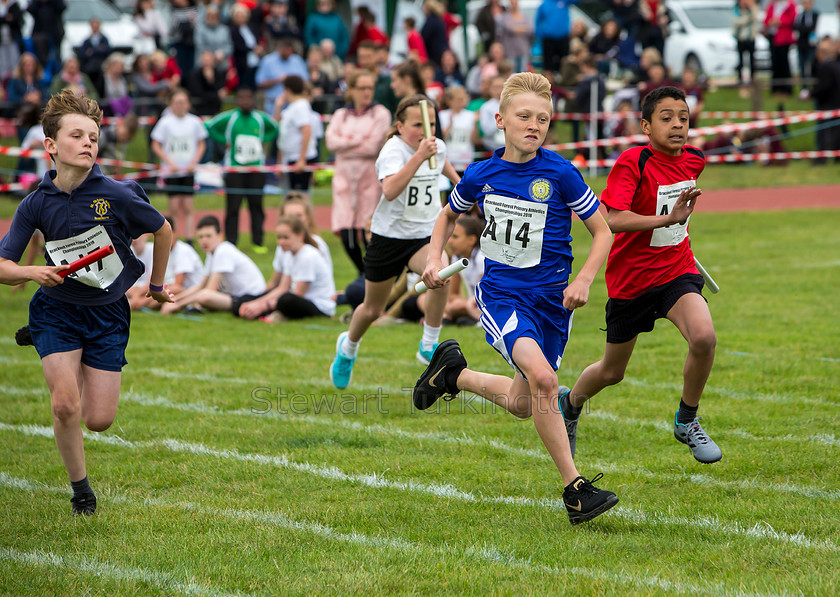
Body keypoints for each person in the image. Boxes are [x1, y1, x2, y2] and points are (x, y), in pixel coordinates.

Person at [414, 72, 617, 526]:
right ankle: (576, 490)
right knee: (545, 381)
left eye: (542, 119)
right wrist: (433, 257)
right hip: (504, 297)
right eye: (524, 116)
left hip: (553, 304)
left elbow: (602, 231)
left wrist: (583, 278)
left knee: (525, 404)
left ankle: (455, 374)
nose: (534, 125)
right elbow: (447, 216)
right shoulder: (483, 173)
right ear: (500, 120)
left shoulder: (561, 172)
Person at [0, 89, 174, 516]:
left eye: (93, 137)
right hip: (57, 307)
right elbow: (3, 266)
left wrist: (155, 285)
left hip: (108, 313)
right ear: (51, 146)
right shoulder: (34, 203)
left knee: (98, 419)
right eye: (77, 135)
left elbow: (164, 230)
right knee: (65, 405)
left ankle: (48, 343)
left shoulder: (116, 194)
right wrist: (33, 272)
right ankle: (81, 491)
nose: (88, 143)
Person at [562, 86, 722, 465]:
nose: (678, 125)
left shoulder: (694, 160)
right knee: (612, 372)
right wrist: (668, 219)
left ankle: (687, 419)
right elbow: (612, 219)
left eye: (683, 117)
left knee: (704, 337)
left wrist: (675, 227)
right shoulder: (633, 161)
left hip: (676, 270)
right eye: (666, 118)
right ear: (646, 126)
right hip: (630, 283)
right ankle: (568, 405)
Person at [330, 94, 460, 389]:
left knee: (442, 273)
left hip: (423, 235)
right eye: (417, 125)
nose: (426, 132)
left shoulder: (437, 146)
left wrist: (472, 192)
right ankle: (347, 348)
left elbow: (454, 177)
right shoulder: (393, 151)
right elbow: (390, 190)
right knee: (373, 309)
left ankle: (429, 342)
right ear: (400, 127)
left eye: (431, 124)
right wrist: (418, 157)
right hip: (389, 238)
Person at [325, 69, 391, 275]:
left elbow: (372, 147)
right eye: (362, 88)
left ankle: (370, 277)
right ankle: (362, 276)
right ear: (351, 90)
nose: (367, 92)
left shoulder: (380, 113)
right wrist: (358, 140)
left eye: (370, 88)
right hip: (344, 179)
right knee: (346, 233)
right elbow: (330, 142)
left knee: (367, 233)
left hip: (369, 178)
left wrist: (345, 142)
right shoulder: (340, 115)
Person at [205, 88, 279, 251]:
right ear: (237, 100)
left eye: (248, 98)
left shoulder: (260, 118)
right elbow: (209, 125)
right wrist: (224, 139)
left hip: (255, 169)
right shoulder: (231, 117)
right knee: (233, 206)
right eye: (241, 98)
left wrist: (263, 139)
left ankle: (258, 241)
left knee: (257, 205)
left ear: (253, 100)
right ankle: (232, 242)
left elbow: (275, 128)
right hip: (234, 169)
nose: (245, 101)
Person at [161, 215, 266, 315]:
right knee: (201, 295)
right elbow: (200, 286)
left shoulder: (223, 251)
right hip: (236, 296)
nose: (204, 240)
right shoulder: (211, 254)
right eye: (200, 237)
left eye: (208, 236)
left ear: (220, 236)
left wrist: (178, 305)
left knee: (205, 297)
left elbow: (209, 290)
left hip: (252, 297)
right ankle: (195, 306)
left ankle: (196, 306)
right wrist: (174, 300)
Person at [240, 216, 336, 322]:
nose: (281, 242)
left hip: (318, 306)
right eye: (279, 237)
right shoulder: (289, 254)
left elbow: (298, 294)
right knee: (245, 300)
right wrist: (255, 303)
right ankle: (269, 312)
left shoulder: (308, 256)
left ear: (300, 236)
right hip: (294, 298)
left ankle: (276, 314)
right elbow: (282, 288)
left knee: (286, 300)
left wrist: (263, 306)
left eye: (286, 238)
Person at [150, 88, 207, 245]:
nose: (180, 105)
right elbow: (156, 145)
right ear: (171, 104)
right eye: (177, 102)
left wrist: (194, 162)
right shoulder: (165, 122)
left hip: (188, 171)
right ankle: (173, 238)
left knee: (188, 206)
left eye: (183, 102)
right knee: (174, 207)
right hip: (171, 172)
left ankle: (189, 240)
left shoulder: (194, 121)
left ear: (188, 104)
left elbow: (202, 143)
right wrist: (169, 163)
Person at [274, 74, 319, 192]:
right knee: (291, 194)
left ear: (287, 90)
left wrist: (302, 159)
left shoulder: (301, 106)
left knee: (300, 196)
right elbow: (278, 126)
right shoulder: (291, 107)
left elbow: (306, 131)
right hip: (290, 157)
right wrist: (278, 106)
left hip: (299, 158)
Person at [255, 36, 308, 114]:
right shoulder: (267, 61)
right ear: (279, 48)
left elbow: (306, 81)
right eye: (285, 50)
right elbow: (260, 83)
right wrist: (278, 80)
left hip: (294, 104)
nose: (287, 53)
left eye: (290, 50)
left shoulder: (297, 60)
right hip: (272, 104)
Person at [438, 85, 475, 176]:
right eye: (458, 99)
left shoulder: (470, 115)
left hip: (466, 159)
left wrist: (476, 124)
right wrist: (450, 125)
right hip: (449, 159)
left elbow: (474, 139)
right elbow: (440, 138)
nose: (461, 102)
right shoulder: (442, 115)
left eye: (463, 99)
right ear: (449, 101)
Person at [763, 0, 797, 97]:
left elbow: (791, 19)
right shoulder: (772, 5)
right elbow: (766, 19)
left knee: (784, 64)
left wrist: (780, 21)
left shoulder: (790, 5)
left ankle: (786, 89)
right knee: (775, 64)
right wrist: (770, 22)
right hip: (773, 38)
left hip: (784, 38)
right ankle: (776, 89)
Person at [535, 0, 578, 74]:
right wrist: (541, 34)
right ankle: (549, 81)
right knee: (548, 62)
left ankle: (564, 79)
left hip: (563, 37)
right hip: (548, 38)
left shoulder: (564, 2)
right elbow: (538, 21)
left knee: (564, 60)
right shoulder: (544, 5)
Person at [498, 0, 533, 74]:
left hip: (523, 50)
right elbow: (510, 28)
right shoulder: (505, 17)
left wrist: (516, 28)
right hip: (510, 51)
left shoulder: (524, 16)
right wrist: (522, 28)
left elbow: (530, 29)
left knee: (523, 73)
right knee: (511, 73)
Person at [194, 4, 232, 68]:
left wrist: (223, 53)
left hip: (221, 64)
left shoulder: (224, 29)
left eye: (214, 17)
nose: (211, 19)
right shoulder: (200, 29)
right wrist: (213, 55)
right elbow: (200, 45)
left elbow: (229, 46)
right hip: (204, 64)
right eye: (209, 17)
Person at [732, 0, 760, 87]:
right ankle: (740, 79)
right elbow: (737, 21)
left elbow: (756, 17)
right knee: (741, 60)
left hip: (750, 38)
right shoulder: (736, 10)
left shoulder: (752, 9)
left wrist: (752, 6)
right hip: (741, 38)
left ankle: (753, 79)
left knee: (752, 60)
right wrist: (747, 18)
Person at [420, 0, 450, 67]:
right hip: (441, 53)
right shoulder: (438, 20)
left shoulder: (431, 21)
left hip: (435, 56)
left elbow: (423, 38)